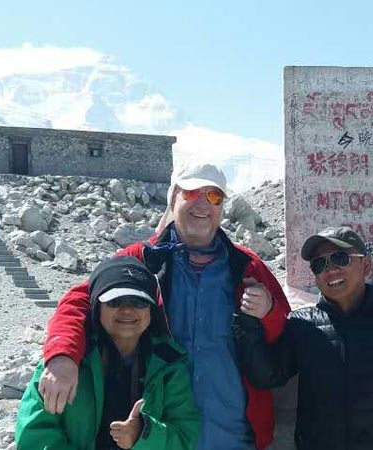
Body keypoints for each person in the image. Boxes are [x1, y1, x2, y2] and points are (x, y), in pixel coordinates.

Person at [38, 162, 291, 450]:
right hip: (161, 433)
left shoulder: (247, 266)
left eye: (214, 196)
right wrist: (62, 357)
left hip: (233, 435)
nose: (203, 204)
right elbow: (80, 300)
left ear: (222, 206)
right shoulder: (141, 259)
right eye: (192, 192)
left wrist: (268, 312)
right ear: (173, 198)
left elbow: (284, 330)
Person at [233, 226, 373, 450]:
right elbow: (267, 376)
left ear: (366, 266)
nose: (330, 270)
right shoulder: (302, 324)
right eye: (319, 264)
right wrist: (250, 322)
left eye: (340, 258)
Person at [16, 255, 200, 449]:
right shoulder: (62, 367)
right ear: (96, 307)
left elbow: (185, 436)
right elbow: (35, 435)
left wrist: (144, 433)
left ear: (151, 310)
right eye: (115, 301)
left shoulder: (169, 365)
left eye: (139, 302)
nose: (127, 310)